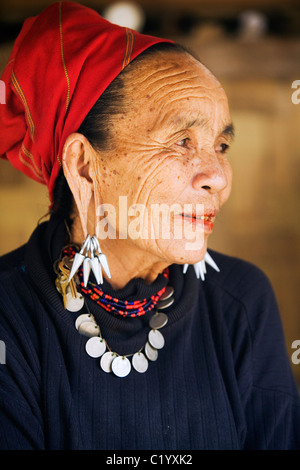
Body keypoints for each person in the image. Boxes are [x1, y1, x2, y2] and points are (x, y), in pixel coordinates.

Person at [0, 1, 299, 451]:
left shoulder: (241, 301)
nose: (217, 176)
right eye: (182, 141)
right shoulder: (10, 318)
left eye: (221, 145)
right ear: (83, 168)